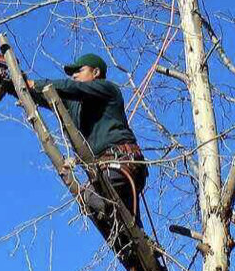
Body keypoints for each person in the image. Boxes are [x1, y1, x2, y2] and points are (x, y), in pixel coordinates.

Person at [21, 53, 148, 222]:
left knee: (90, 199)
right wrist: (14, 85)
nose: (74, 76)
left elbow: (71, 88)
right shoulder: (75, 105)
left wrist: (34, 83)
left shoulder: (107, 89)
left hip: (122, 163)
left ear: (95, 72)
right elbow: (46, 95)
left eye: (79, 71)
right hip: (106, 171)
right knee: (124, 234)